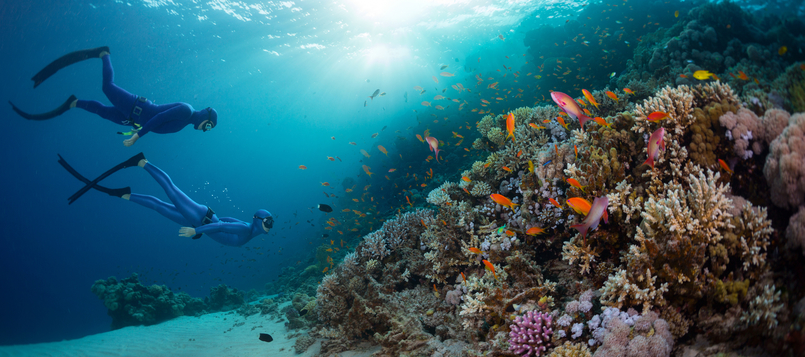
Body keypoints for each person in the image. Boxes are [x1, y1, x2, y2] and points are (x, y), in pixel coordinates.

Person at [9, 46, 218, 146]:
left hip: (133, 118)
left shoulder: (186, 120)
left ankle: (73, 102)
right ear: (206, 117)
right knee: (107, 87)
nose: (204, 130)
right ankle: (104, 53)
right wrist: (138, 135)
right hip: (137, 108)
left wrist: (136, 129)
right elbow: (158, 119)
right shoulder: (187, 111)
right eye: (208, 126)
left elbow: (158, 124)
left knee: (102, 112)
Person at [58, 152, 272, 247]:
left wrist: (205, 225)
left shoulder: (246, 228)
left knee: (159, 207)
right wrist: (197, 230)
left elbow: (223, 221)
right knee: (170, 190)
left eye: (270, 222)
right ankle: (142, 161)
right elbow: (222, 225)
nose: (270, 225)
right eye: (268, 221)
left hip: (200, 218)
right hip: (199, 219)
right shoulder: (245, 230)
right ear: (258, 219)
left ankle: (125, 194)